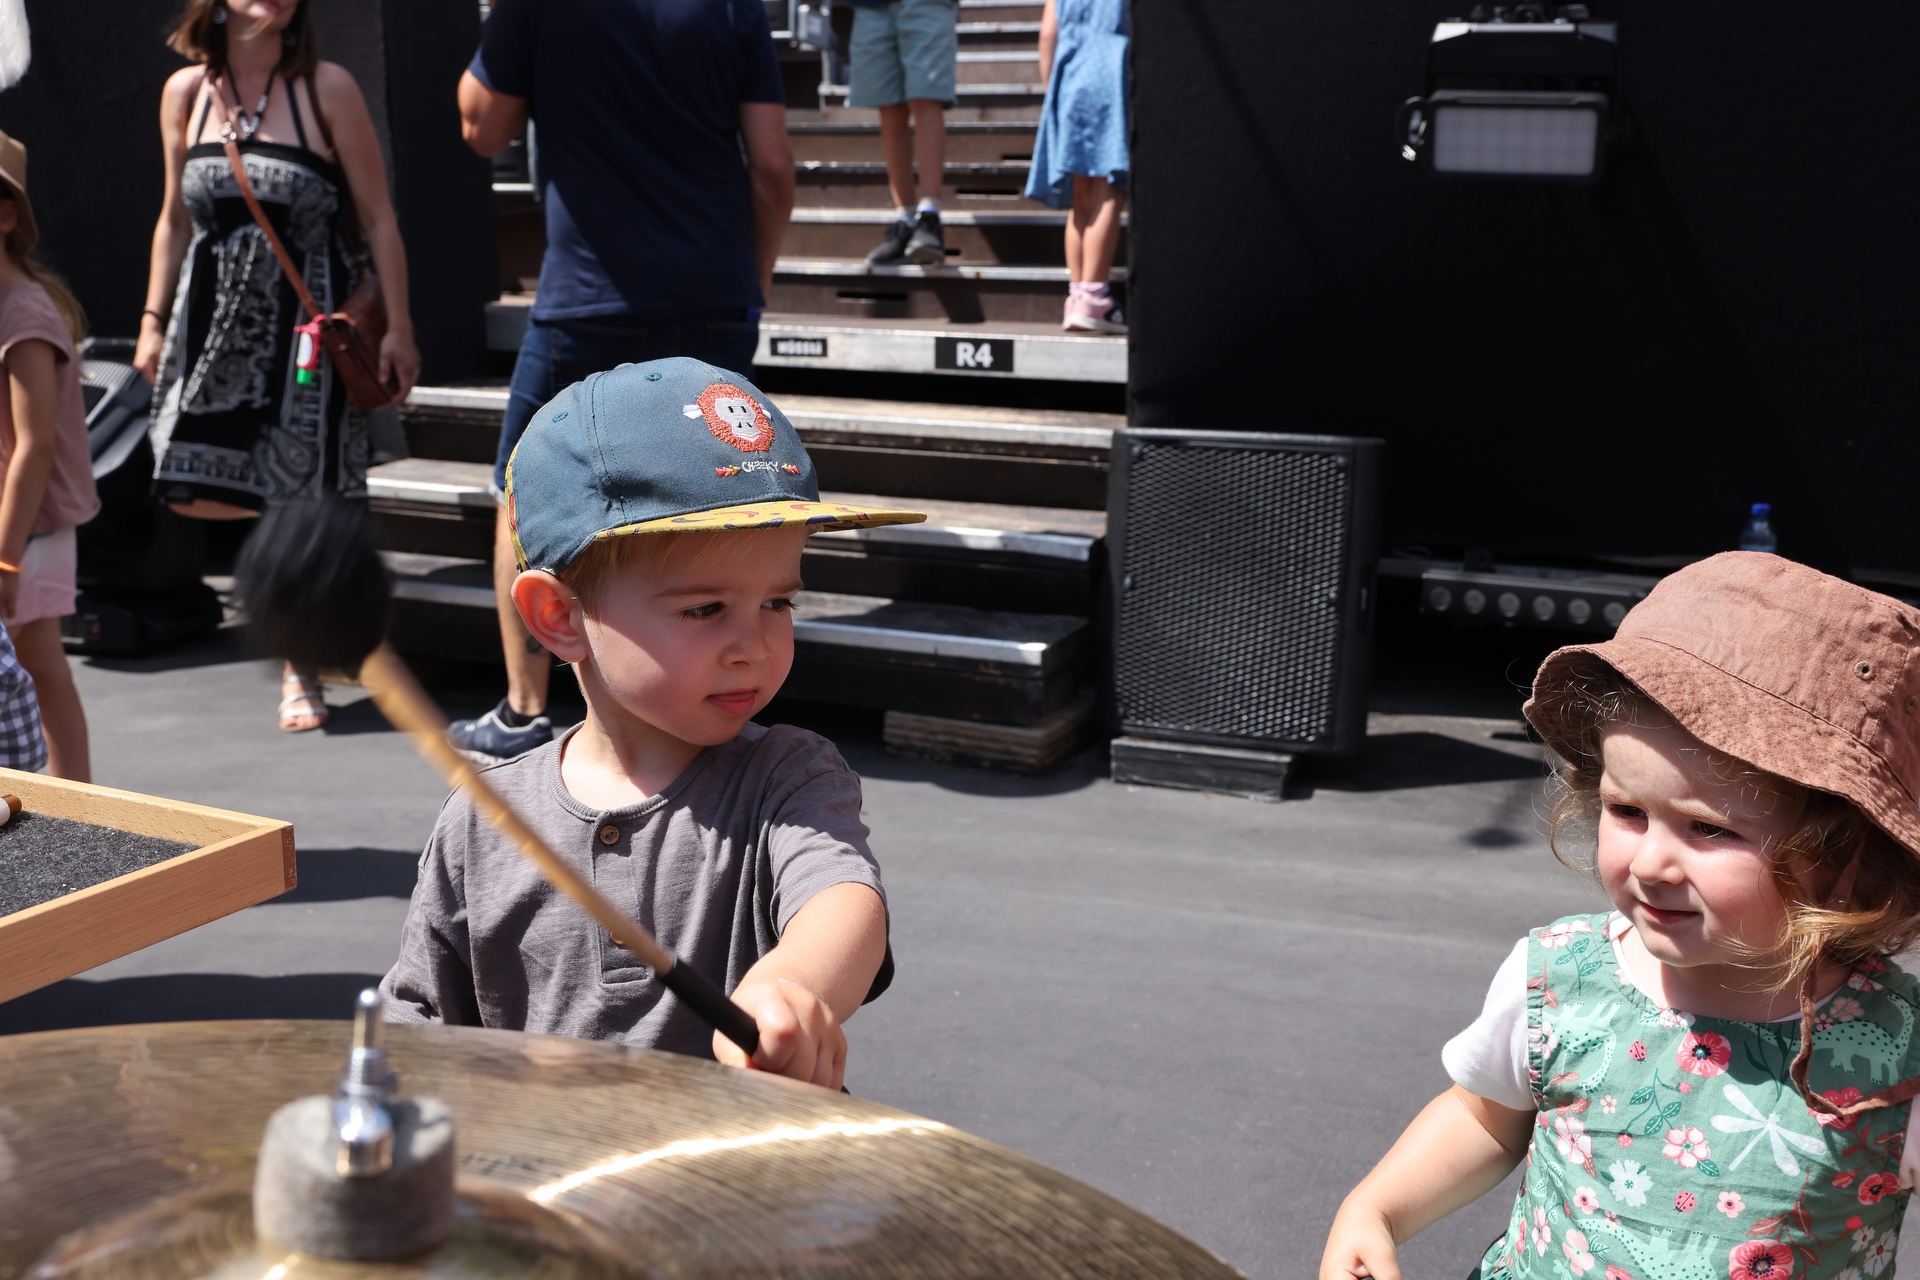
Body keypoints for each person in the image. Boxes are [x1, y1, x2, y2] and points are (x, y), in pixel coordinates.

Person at [1322, 552, 1920, 1280]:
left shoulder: (1899, 1048)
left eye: (1709, 829)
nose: (1649, 865)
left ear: (1840, 851)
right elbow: (1484, 1118)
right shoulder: (1561, 981)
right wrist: (1375, 1209)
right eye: (1628, 812)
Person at [381, 359, 921, 1088]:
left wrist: (794, 985)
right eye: (705, 609)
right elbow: (417, 1028)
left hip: (738, 1183)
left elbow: (843, 899)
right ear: (559, 617)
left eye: (778, 603)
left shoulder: (788, 777)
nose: (754, 646)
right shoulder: (483, 821)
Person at [450, 0, 796, 759]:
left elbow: (483, 128)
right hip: (713, 287)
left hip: (590, 295)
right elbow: (772, 167)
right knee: (722, 499)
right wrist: (752, 281)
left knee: (525, 494)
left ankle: (523, 711)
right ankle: (716, 704)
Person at [134, 0, 420, 733]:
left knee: (302, 486)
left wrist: (401, 328)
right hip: (211, 322)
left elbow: (382, 214)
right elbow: (172, 216)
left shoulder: (326, 87)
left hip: (307, 329)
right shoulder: (186, 92)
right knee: (202, 481)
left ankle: (302, 663)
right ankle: (308, 629)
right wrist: (152, 322)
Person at [0, 131, 98, 781]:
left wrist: (6, 557)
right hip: (13, 522)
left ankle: (76, 806)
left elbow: (32, 448)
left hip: (26, 526)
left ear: (6, 215)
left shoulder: (24, 315)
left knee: (37, 658)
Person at [1027, 0, 1127, 332]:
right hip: (1113, 73)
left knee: (1080, 199)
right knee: (1109, 191)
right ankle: (1095, 297)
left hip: (1069, 74)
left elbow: (1046, 35)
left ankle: (1076, 297)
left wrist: (1051, 90)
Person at [850, 0, 954, 266]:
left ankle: (929, 217)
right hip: (871, 4)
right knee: (889, 106)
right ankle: (906, 219)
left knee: (925, 97)